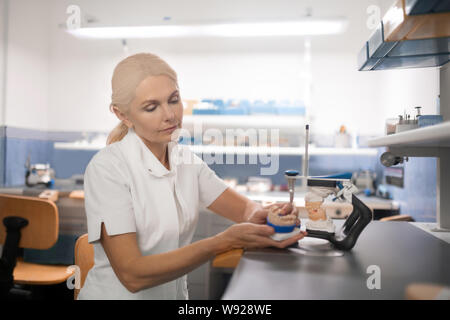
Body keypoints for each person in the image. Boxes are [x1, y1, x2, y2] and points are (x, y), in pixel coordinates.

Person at [78, 53, 306, 300]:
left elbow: (245, 210)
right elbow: (132, 275)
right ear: (122, 115)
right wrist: (223, 241)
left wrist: (266, 214)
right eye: (151, 107)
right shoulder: (108, 169)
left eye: (174, 100)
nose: (170, 115)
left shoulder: (184, 160)